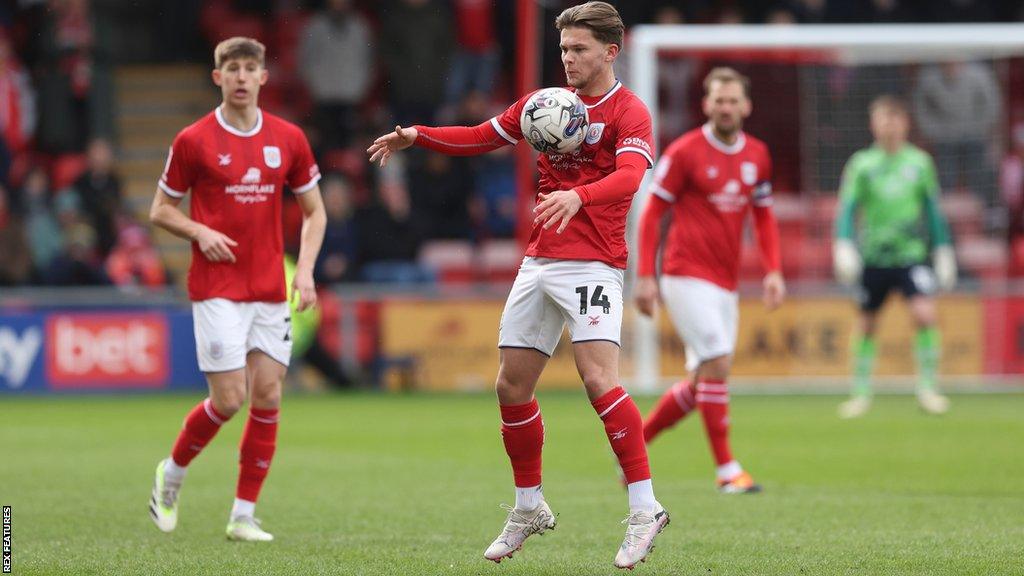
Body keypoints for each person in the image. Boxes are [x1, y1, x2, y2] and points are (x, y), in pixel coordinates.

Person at [367, 2, 668, 569]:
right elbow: (483, 135)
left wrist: (580, 195)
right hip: (540, 260)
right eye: (563, 50)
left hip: (595, 262)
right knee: (510, 386)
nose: (568, 59)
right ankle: (529, 505)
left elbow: (631, 174)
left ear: (611, 49)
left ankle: (644, 508)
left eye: (578, 49)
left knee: (599, 380)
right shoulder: (545, 106)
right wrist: (418, 136)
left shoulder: (630, 111)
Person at [146, 37, 326, 542]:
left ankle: (243, 514)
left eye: (251, 68)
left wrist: (306, 272)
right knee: (229, 398)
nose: (243, 77)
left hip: (270, 287)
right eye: (233, 69)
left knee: (268, 395)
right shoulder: (194, 140)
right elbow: (160, 209)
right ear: (218, 77)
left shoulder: (288, 137)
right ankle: (172, 473)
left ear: (264, 77)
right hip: (217, 285)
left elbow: (316, 212)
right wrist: (199, 231)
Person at [635, 67, 784, 494]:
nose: (726, 107)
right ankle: (727, 471)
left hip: (725, 282)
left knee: (705, 381)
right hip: (684, 274)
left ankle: (635, 445)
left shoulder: (758, 154)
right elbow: (651, 214)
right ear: (706, 104)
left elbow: (764, 215)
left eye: (733, 100)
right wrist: (646, 276)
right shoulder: (684, 151)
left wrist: (773, 269)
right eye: (719, 100)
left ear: (746, 106)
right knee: (718, 361)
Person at [833, 95, 956, 419]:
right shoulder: (862, 164)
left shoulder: (919, 163)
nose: (889, 125)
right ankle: (860, 393)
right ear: (873, 124)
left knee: (925, 314)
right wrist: (843, 244)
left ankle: (928, 388)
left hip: (910, 256)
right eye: (883, 119)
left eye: (895, 119)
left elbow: (932, 209)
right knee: (866, 322)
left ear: (905, 123)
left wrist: (943, 248)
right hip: (873, 256)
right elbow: (847, 208)